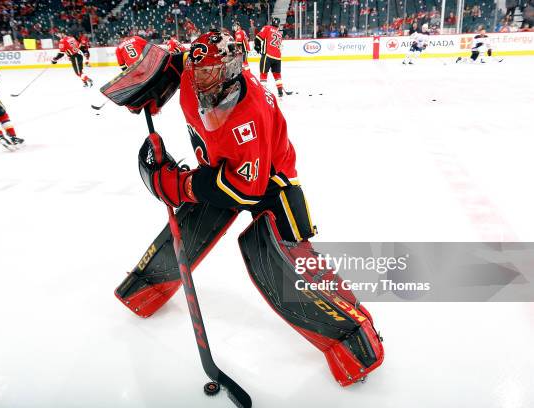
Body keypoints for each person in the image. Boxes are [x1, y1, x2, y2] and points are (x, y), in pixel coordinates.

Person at [112, 30, 384, 386]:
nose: (202, 80)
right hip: (223, 166)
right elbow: (172, 66)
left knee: (279, 259)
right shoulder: (201, 69)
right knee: (192, 225)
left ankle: (354, 342)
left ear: (232, 71)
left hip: (271, 183)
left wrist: (178, 185)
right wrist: (149, 90)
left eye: (211, 74)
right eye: (199, 72)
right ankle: (144, 289)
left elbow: (243, 190)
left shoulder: (247, 114)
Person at [254, 17, 287, 96]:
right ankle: (280, 91)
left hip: (268, 55)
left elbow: (258, 38)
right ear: (278, 24)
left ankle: (262, 91)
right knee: (277, 75)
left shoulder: (267, 28)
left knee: (263, 74)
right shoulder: (279, 34)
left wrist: (257, 46)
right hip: (278, 58)